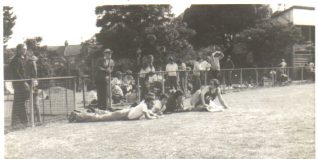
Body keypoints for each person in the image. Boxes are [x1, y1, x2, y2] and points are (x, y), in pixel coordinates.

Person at [68, 93, 159, 122]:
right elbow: (148, 116)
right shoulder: (144, 105)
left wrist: (154, 114)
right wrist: (155, 116)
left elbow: (149, 112)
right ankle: (77, 115)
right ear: (148, 101)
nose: (153, 104)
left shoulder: (144, 104)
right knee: (100, 118)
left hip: (125, 113)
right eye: (152, 102)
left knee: (106, 114)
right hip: (123, 114)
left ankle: (80, 113)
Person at [10, 44, 29, 127]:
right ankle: (18, 122)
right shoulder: (16, 60)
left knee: (20, 103)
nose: (25, 51)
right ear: (18, 50)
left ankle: (22, 121)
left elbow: (22, 72)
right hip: (19, 85)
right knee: (18, 103)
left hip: (21, 84)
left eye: (25, 49)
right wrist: (24, 82)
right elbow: (16, 73)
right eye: (23, 49)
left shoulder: (22, 59)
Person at [25, 54, 42, 123]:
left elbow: (35, 71)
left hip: (32, 82)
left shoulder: (31, 62)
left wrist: (34, 78)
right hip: (32, 82)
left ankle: (37, 119)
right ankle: (35, 119)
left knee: (34, 102)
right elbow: (35, 71)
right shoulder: (31, 63)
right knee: (34, 103)